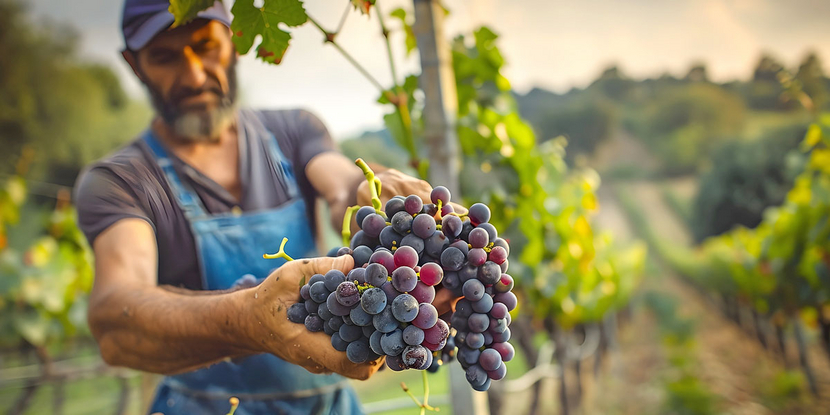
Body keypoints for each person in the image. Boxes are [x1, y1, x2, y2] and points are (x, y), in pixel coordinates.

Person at [73, 1, 455, 413]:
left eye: (206, 47)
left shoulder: (294, 131)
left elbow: (340, 185)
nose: (194, 75)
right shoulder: (119, 181)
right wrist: (247, 321)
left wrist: (368, 191)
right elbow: (116, 320)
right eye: (164, 57)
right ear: (134, 65)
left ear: (235, 40)